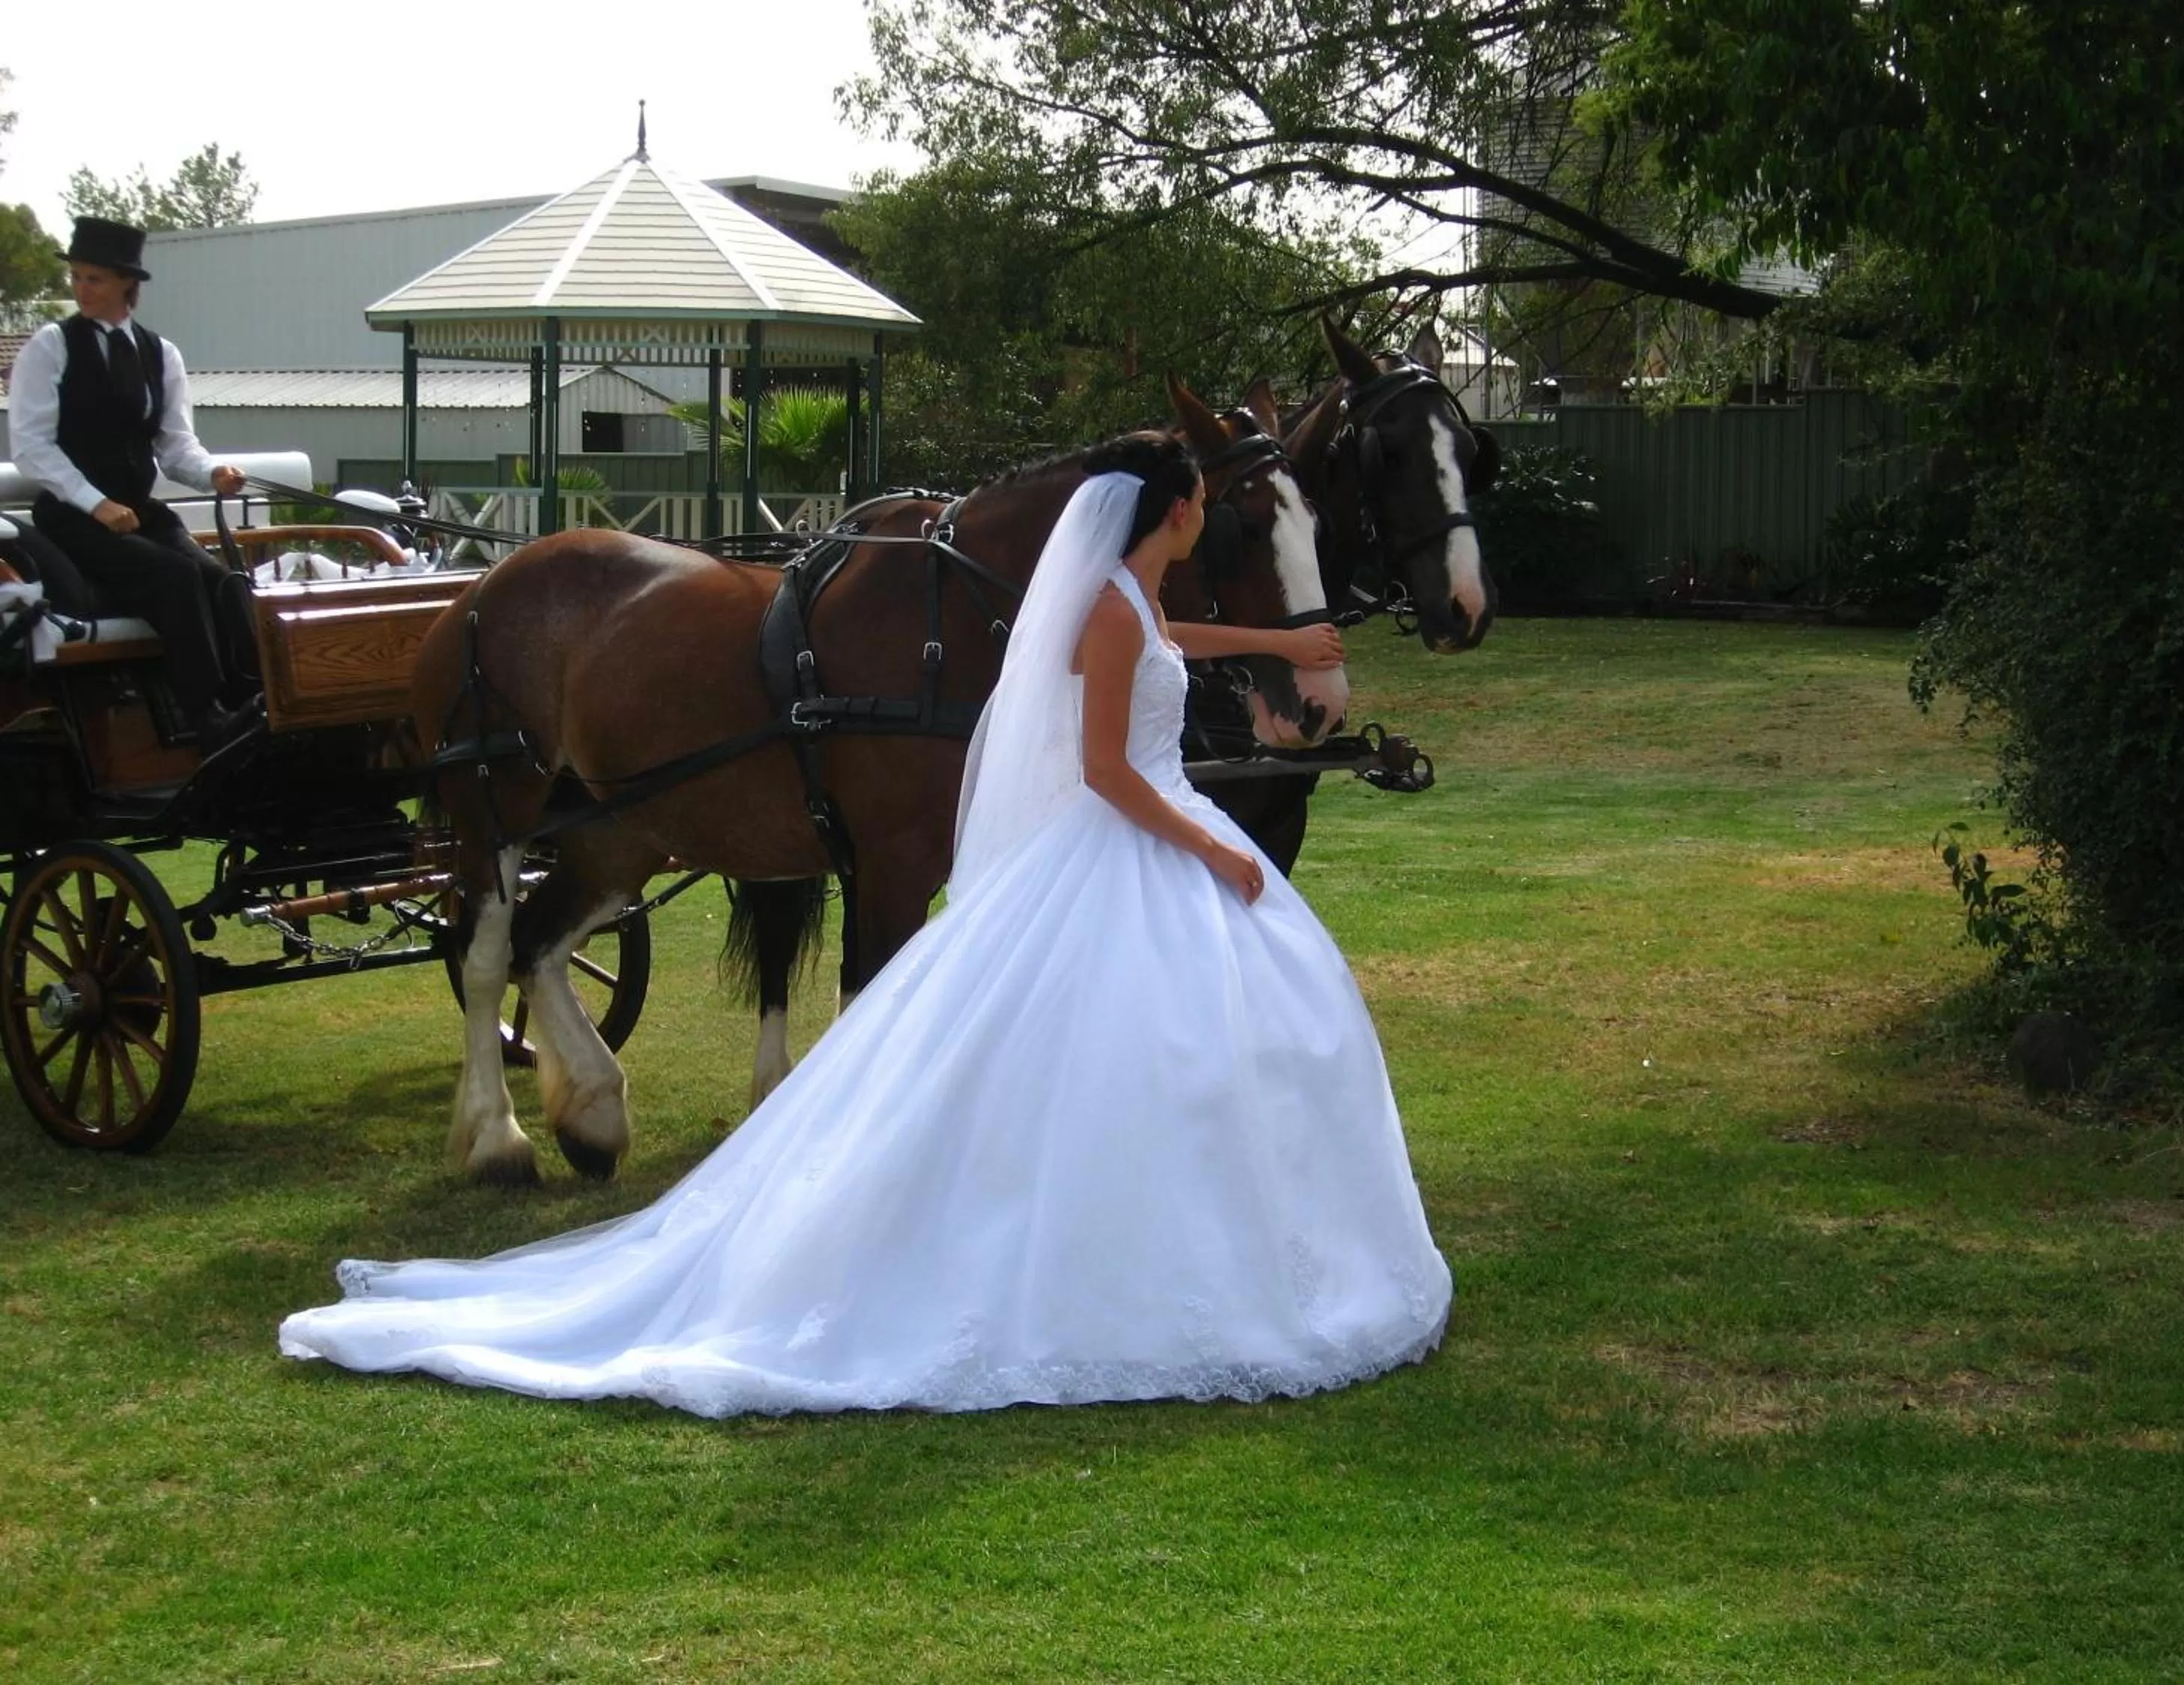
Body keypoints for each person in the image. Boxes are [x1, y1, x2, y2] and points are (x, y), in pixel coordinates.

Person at [279, 431, 1450, 1416]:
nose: (1209, 522)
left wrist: (1278, 644)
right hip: (1133, 838)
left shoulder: (1132, 599)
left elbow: (1163, 641)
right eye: (1202, 505)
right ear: (1177, 512)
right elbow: (1105, 757)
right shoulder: (1107, 607)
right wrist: (1205, 842)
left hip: (1139, 845)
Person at [10, 216, 261, 754]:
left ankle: (257, 701)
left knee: (224, 582)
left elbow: (174, 444)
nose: (81, 289)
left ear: (128, 283)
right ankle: (205, 716)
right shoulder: (51, 346)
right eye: (76, 277)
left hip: (137, 512)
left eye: (94, 279)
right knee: (175, 576)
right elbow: (30, 446)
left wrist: (212, 473)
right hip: (72, 518)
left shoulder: (160, 353)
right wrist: (95, 503)